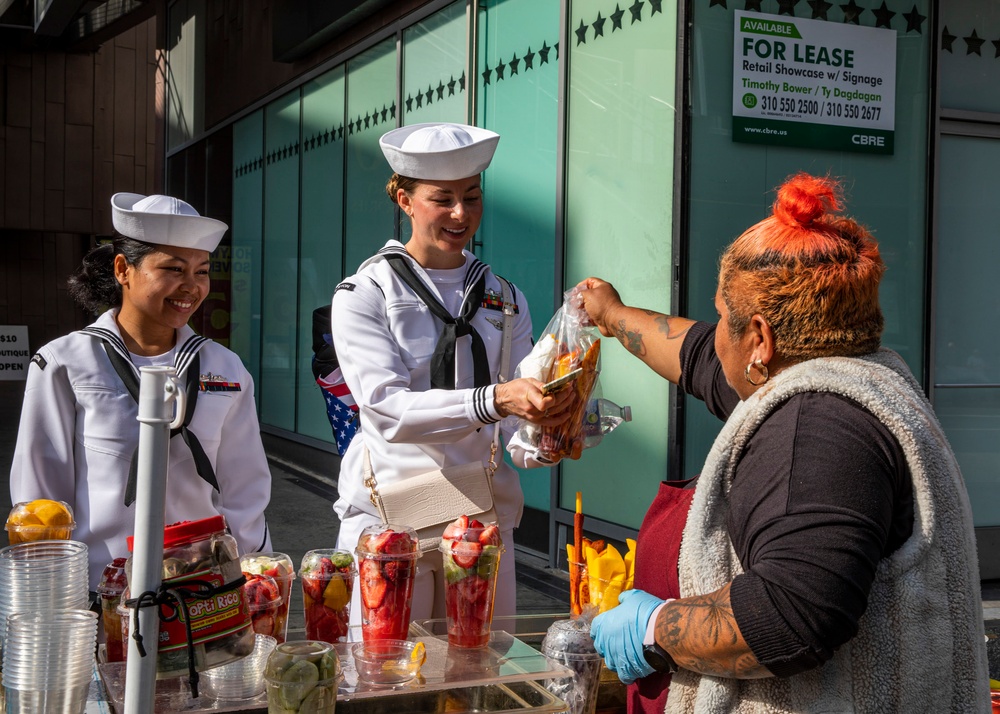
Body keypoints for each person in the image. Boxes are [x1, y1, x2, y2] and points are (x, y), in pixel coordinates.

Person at [577, 173, 989, 713]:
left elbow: (792, 616)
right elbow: (700, 354)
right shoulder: (844, 374)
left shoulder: (814, 430)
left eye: (724, 318)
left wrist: (654, 628)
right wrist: (611, 315)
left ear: (760, 339)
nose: (714, 332)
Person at [331, 122, 575, 622]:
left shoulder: (504, 298)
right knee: (388, 676)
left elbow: (511, 430)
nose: (461, 214)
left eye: (472, 196)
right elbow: (387, 409)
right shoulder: (365, 294)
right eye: (442, 199)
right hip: (392, 520)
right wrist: (496, 399)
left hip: (481, 518)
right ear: (405, 200)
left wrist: (545, 435)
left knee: (481, 673)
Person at [10, 193, 272, 591]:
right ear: (123, 269)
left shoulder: (225, 367)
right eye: (172, 269)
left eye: (201, 272)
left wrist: (253, 579)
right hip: (100, 592)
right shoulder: (64, 363)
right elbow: (41, 495)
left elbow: (244, 490)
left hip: (203, 592)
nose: (191, 287)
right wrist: (49, 599)